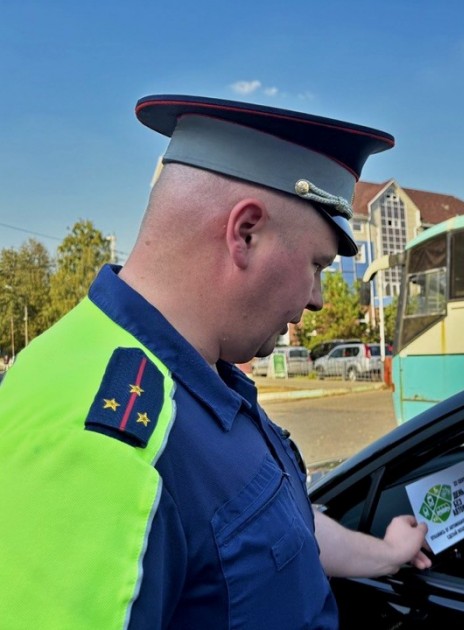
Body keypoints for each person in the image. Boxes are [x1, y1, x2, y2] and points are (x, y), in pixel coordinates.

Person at [0, 94, 430, 629]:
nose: (319, 297)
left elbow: (269, 533)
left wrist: (385, 554)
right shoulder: (102, 442)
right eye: (317, 264)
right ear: (246, 233)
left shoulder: (201, 371)